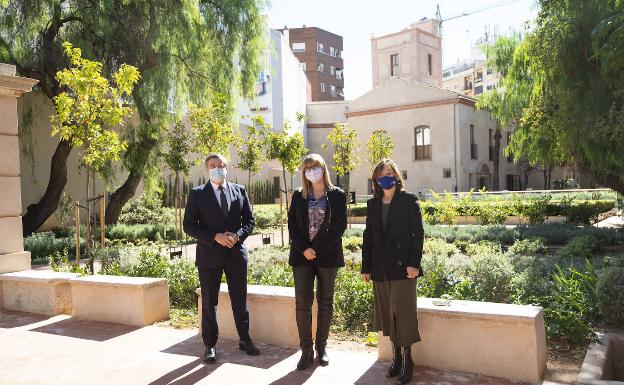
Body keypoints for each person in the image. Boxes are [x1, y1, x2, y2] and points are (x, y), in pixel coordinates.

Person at [183, 153, 259, 364]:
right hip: (209, 255)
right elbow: (188, 226)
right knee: (209, 301)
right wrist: (214, 237)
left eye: (221, 165)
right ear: (207, 169)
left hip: (236, 254)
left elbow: (250, 221)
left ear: (227, 167)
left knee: (239, 300)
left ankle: (244, 339)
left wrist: (238, 235)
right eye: (212, 165)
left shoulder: (239, 190)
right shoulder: (197, 193)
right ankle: (210, 345)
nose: (217, 168)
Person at [361, 159, 424, 385]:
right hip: (380, 269)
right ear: (376, 180)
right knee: (388, 315)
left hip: (404, 269)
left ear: (396, 175)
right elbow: (368, 238)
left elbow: (418, 234)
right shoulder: (373, 204)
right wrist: (365, 267)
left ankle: (408, 361)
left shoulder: (408, 201)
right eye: (380, 175)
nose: (385, 177)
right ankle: (396, 358)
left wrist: (414, 263)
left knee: (403, 315)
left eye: (388, 173)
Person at [288, 153, 347, 370]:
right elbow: (292, 226)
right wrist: (305, 249)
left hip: (328, 257)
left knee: (325, 302)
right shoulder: (298, 195)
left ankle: (321, 347)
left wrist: (317, 249)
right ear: (304, 173)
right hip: (302, 257)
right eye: (308, 168)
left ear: (324, 168)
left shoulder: (338, 195)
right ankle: (305, 351)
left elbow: (339, 227)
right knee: (302, 304)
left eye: (316, 167)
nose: (312, 171)